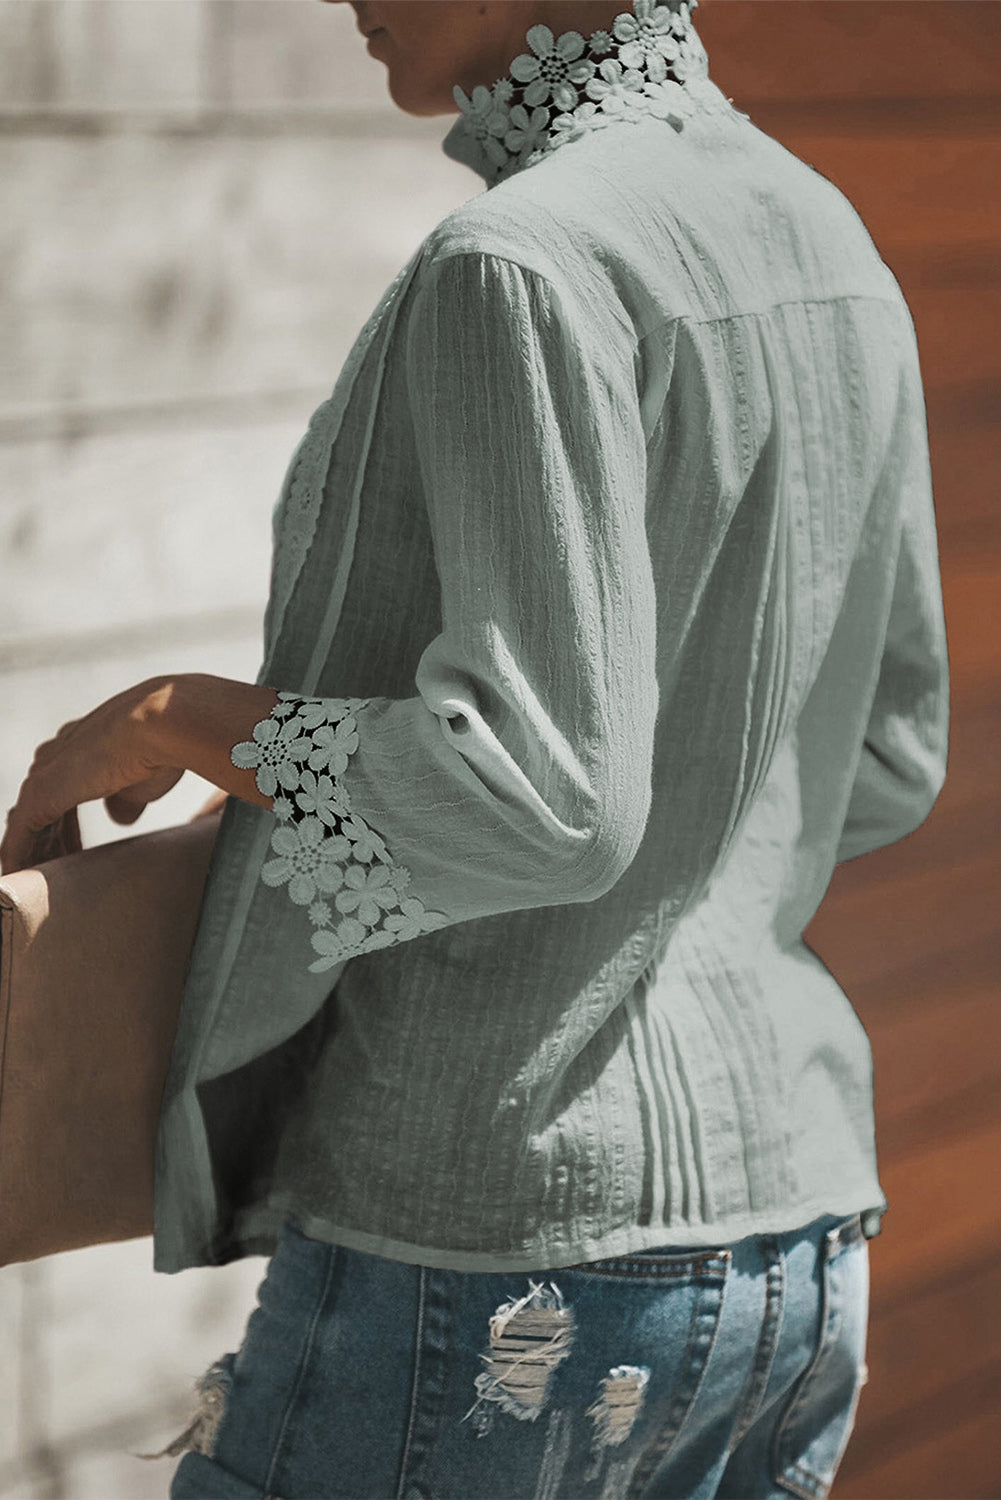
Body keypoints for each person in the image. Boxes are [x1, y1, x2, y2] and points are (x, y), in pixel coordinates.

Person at [1, 0, 950, 1495]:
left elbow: (540, 799)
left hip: (502, 1247)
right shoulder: (822, 234)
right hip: (796, 1233)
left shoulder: (519, 265)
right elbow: (889, 757)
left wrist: (176, 712)